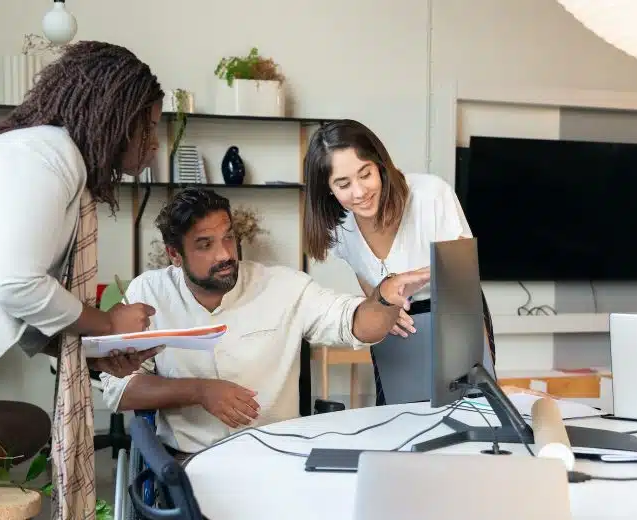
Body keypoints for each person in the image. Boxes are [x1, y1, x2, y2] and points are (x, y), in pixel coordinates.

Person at [0, 41, 163, 520]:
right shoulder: (49, 155)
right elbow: (17, 284)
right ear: (114, 114)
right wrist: (105, 324)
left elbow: (13, 297)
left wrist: (95, 356)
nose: (153, 143)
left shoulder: (46, 155)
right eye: (147, 126)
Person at [100, 187, 430, 461]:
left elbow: (356, 324)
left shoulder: (281, 286)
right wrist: (199, 391)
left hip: (277, 456)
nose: (224, 254)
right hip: (188, 460)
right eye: (205, 245)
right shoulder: (148, 292)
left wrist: (384, 297)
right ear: (175, 255)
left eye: (228, 237)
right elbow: (120, 390)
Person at [302, 119, 496, 406]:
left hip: (454, 308)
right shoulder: (340, 227)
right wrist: (381, 308)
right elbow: (367, 276)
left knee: (471, 405)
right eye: (343, 184)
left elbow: (460, 275)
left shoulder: (430, 194)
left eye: (365, 174)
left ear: (380, 164)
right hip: (395, 320)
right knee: (394, 412)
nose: (359, 192)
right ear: (328, 189)